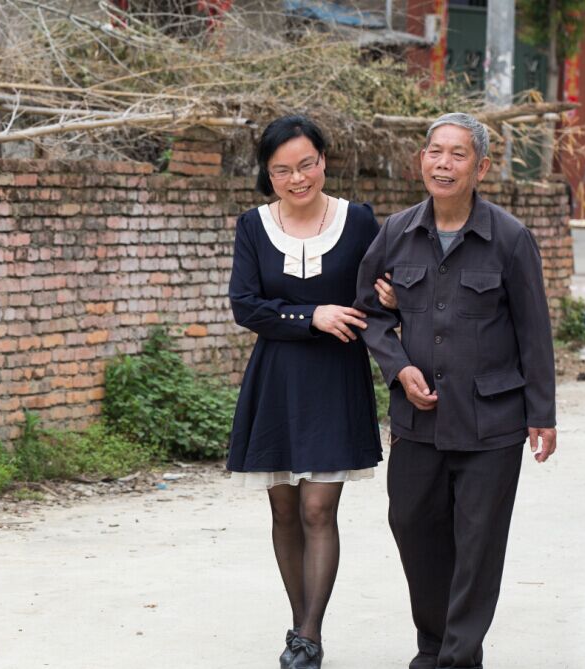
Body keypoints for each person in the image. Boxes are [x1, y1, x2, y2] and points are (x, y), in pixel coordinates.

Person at [354, 112, 558, 669]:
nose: (443, 164)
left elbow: (534, 332)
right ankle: (435, 643)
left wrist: (542, 414)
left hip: (492, 420)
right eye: (435, 152)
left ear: (481, 167)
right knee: (411, 526)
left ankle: (455, 658)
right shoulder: (396, 233)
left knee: (478, 544)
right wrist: (399, 368)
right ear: (421, 159)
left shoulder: (510, 239)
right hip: (418, 422)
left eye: (458, 154)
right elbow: (370, 312)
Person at [227, 115, 396, 669]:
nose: (297, 178)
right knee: (284, 511)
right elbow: (245, 306)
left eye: (306, 164)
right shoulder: (253, 226)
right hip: (276, 378)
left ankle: (310, 634)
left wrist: (391, 299)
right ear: (267, 173)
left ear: (323, 160)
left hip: (335, 376)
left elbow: (381, 288)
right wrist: (310, 315)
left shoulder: (358, 221)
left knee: (319, 509)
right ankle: (300, 631)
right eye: (282, 170)